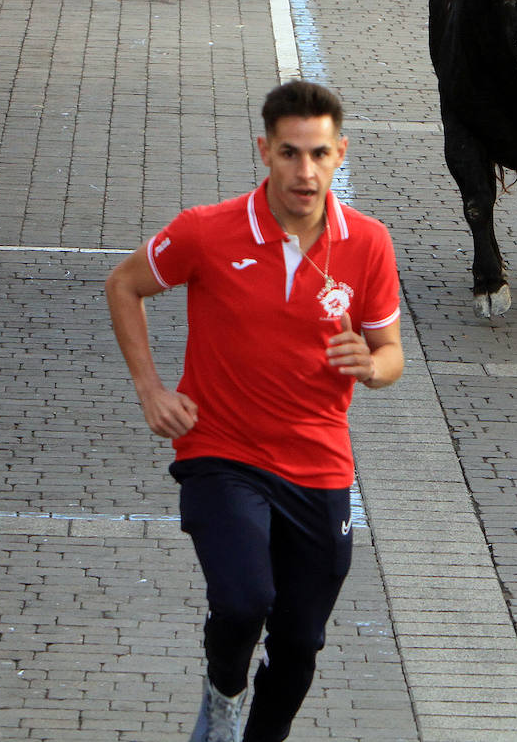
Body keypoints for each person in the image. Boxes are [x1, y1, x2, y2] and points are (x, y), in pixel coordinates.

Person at [105, 80, 403, 742]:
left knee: (299, 644)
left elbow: (391, 354)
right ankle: (224, 689)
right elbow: (124, 283)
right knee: (244, 602)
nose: (305, 170)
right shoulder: (207, 232)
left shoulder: (369, 244)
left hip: (320, 468)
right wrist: (151, 388)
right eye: (290, 153)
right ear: (264, 151)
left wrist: (371, 364)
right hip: (221, 453)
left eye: (320, 153)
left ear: (340, 153)